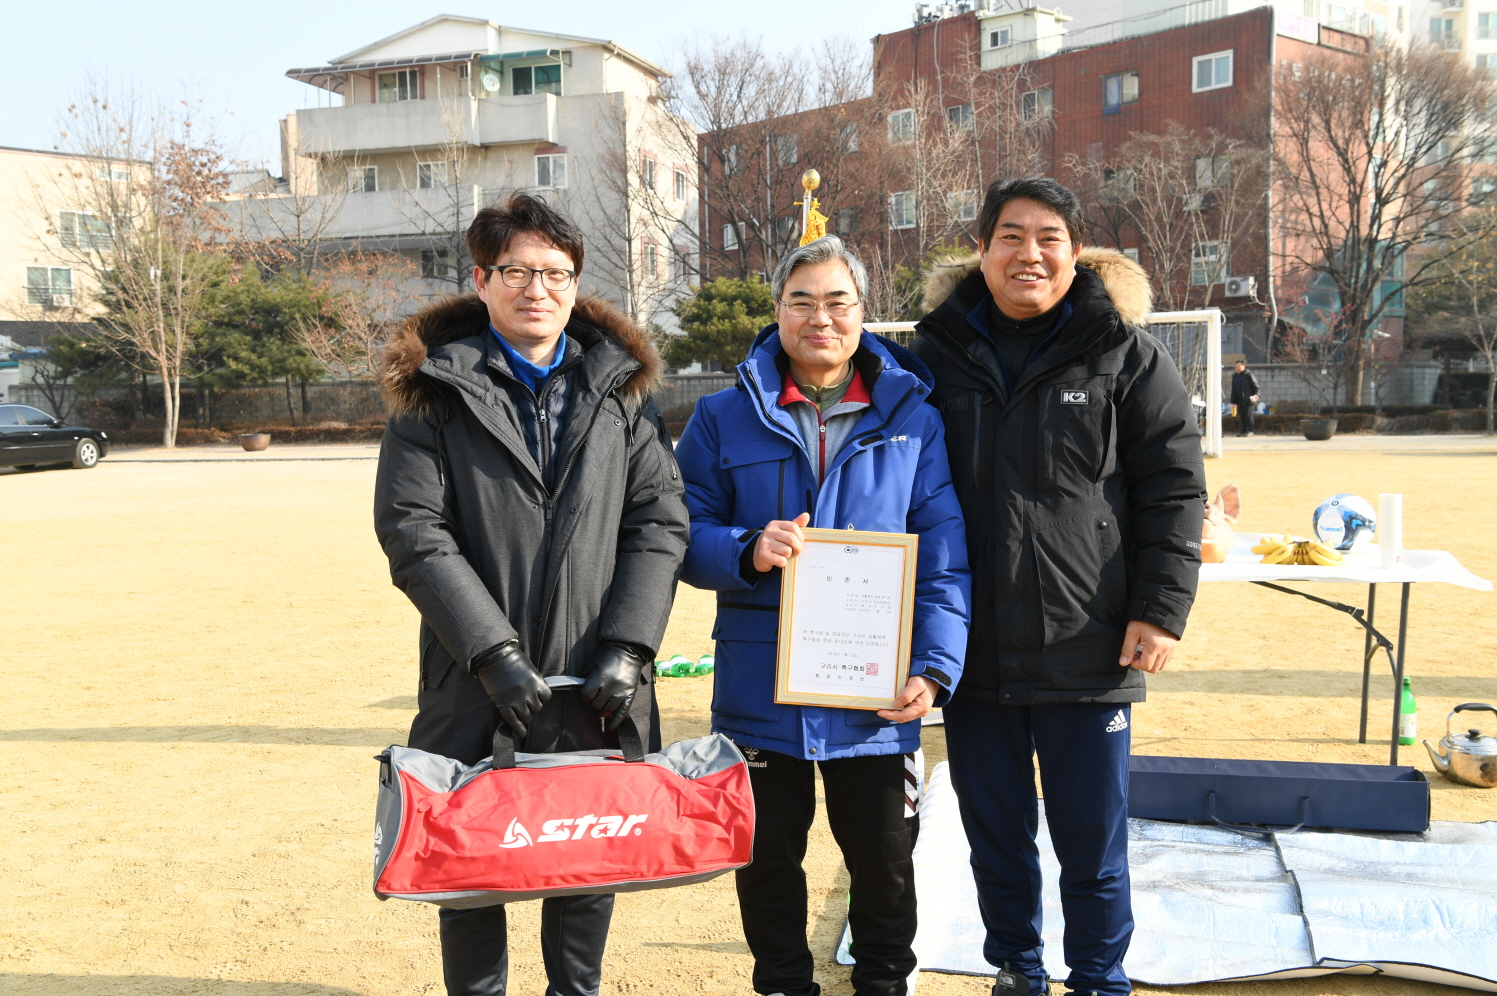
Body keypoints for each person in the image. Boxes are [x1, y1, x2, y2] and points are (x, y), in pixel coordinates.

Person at [373, 193, 690, 996]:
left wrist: (628, 646)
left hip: (596, 675)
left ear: (576, 283)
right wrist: (493, 652)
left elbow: (658, 523)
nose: (535, 289)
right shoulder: (431, 393)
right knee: (472, 862)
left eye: (555, 272)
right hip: (475, 678)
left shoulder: (618, 391)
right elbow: (415, 532)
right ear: (480, 280)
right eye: (515, 270)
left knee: (586, 856)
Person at [910, 177, 1207, 996]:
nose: (1028, 254)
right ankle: (1016, 967)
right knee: (993, 832)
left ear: (1076, 254)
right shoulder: (931, 357)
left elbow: (1174, 491)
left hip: (1092, 639)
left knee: (1091, 838)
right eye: (1010, 236)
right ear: (981, 249)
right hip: (971, 648)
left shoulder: (1125, 355)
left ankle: (1098, 977)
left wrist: (1159, 608)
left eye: (1048, 238)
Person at [676, 236, 970, 996]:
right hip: (757, 689)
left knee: (882, 855)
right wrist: (745, 547)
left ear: (862, 313)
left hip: (871, 689)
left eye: (837, 301)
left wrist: (933, 668)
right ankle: (781, 984)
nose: (819, 317)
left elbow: (941, 561)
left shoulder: (914, 420)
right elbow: (678, 536)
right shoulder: (718, 417)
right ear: (776, 312)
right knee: (766, 856)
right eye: (801, 300)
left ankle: (881, 983)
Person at [1230, 360, 1260, 436]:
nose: (1237, 368)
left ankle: (1250, 430)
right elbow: (1233, 388)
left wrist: (1256, 394)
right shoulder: (1235, 376)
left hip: (1248, 399)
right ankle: (1243, 431)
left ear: (1244, 366)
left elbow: (1255, 386)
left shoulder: (1248, 375)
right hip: (1239, 399)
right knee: (1242, 415)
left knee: (1248, 415)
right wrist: (1234, 401)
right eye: (1236, 366)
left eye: (1239, 366)